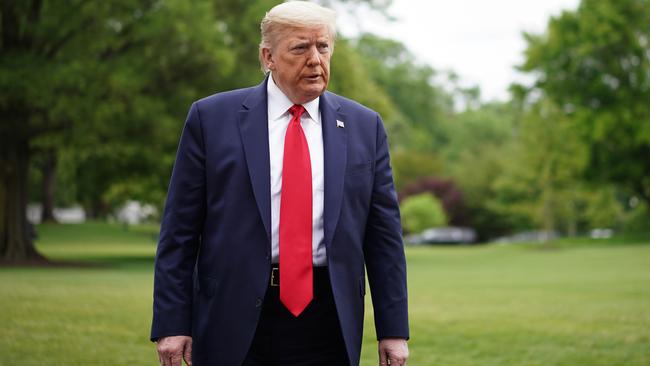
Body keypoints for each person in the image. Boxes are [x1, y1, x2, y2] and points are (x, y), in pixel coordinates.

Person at [151, 2, 409, 365]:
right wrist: (172, 323)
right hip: (232, 315)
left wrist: (393, 329)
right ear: (268, 56)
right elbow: (179, 233)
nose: (316, 60)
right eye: (300, 48)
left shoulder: (365, 126)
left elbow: (384, 238)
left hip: (329, 321)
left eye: (323, 46)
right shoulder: (211, 119)